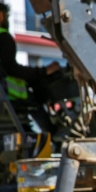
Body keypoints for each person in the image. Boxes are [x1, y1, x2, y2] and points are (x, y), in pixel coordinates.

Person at [0, 2, 60, 133]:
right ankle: (52, 133)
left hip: (6, 95)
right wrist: (44, 71)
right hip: (9, 96)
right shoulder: (3, 37)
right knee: (37, 97)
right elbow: (11, 69)